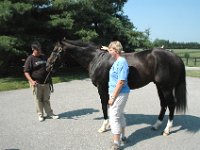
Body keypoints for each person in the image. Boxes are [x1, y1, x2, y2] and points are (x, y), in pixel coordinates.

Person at [102, 41, 130, 150]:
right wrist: (106, 48)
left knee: (113, 116)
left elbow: (121, 81)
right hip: (116, 92)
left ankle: (116, 142)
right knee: (120, 114)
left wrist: (113, 97)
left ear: (116, 51)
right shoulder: (118, 60)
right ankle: (123, 136)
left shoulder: (121, 62)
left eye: (110, 50)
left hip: (119, 93)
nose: (109, 52)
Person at [24, 41, 59, 122]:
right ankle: (40, 115)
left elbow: (48, 66)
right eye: (38, 50)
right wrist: (32, 81)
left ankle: (50, 114)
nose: (39, 51)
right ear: (33, 49)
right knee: (38, 100)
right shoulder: (30, 59)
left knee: (46, 99)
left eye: (40, 50)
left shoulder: (43, 56)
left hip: (46, 82)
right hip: (36, 83)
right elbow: (26, 72)